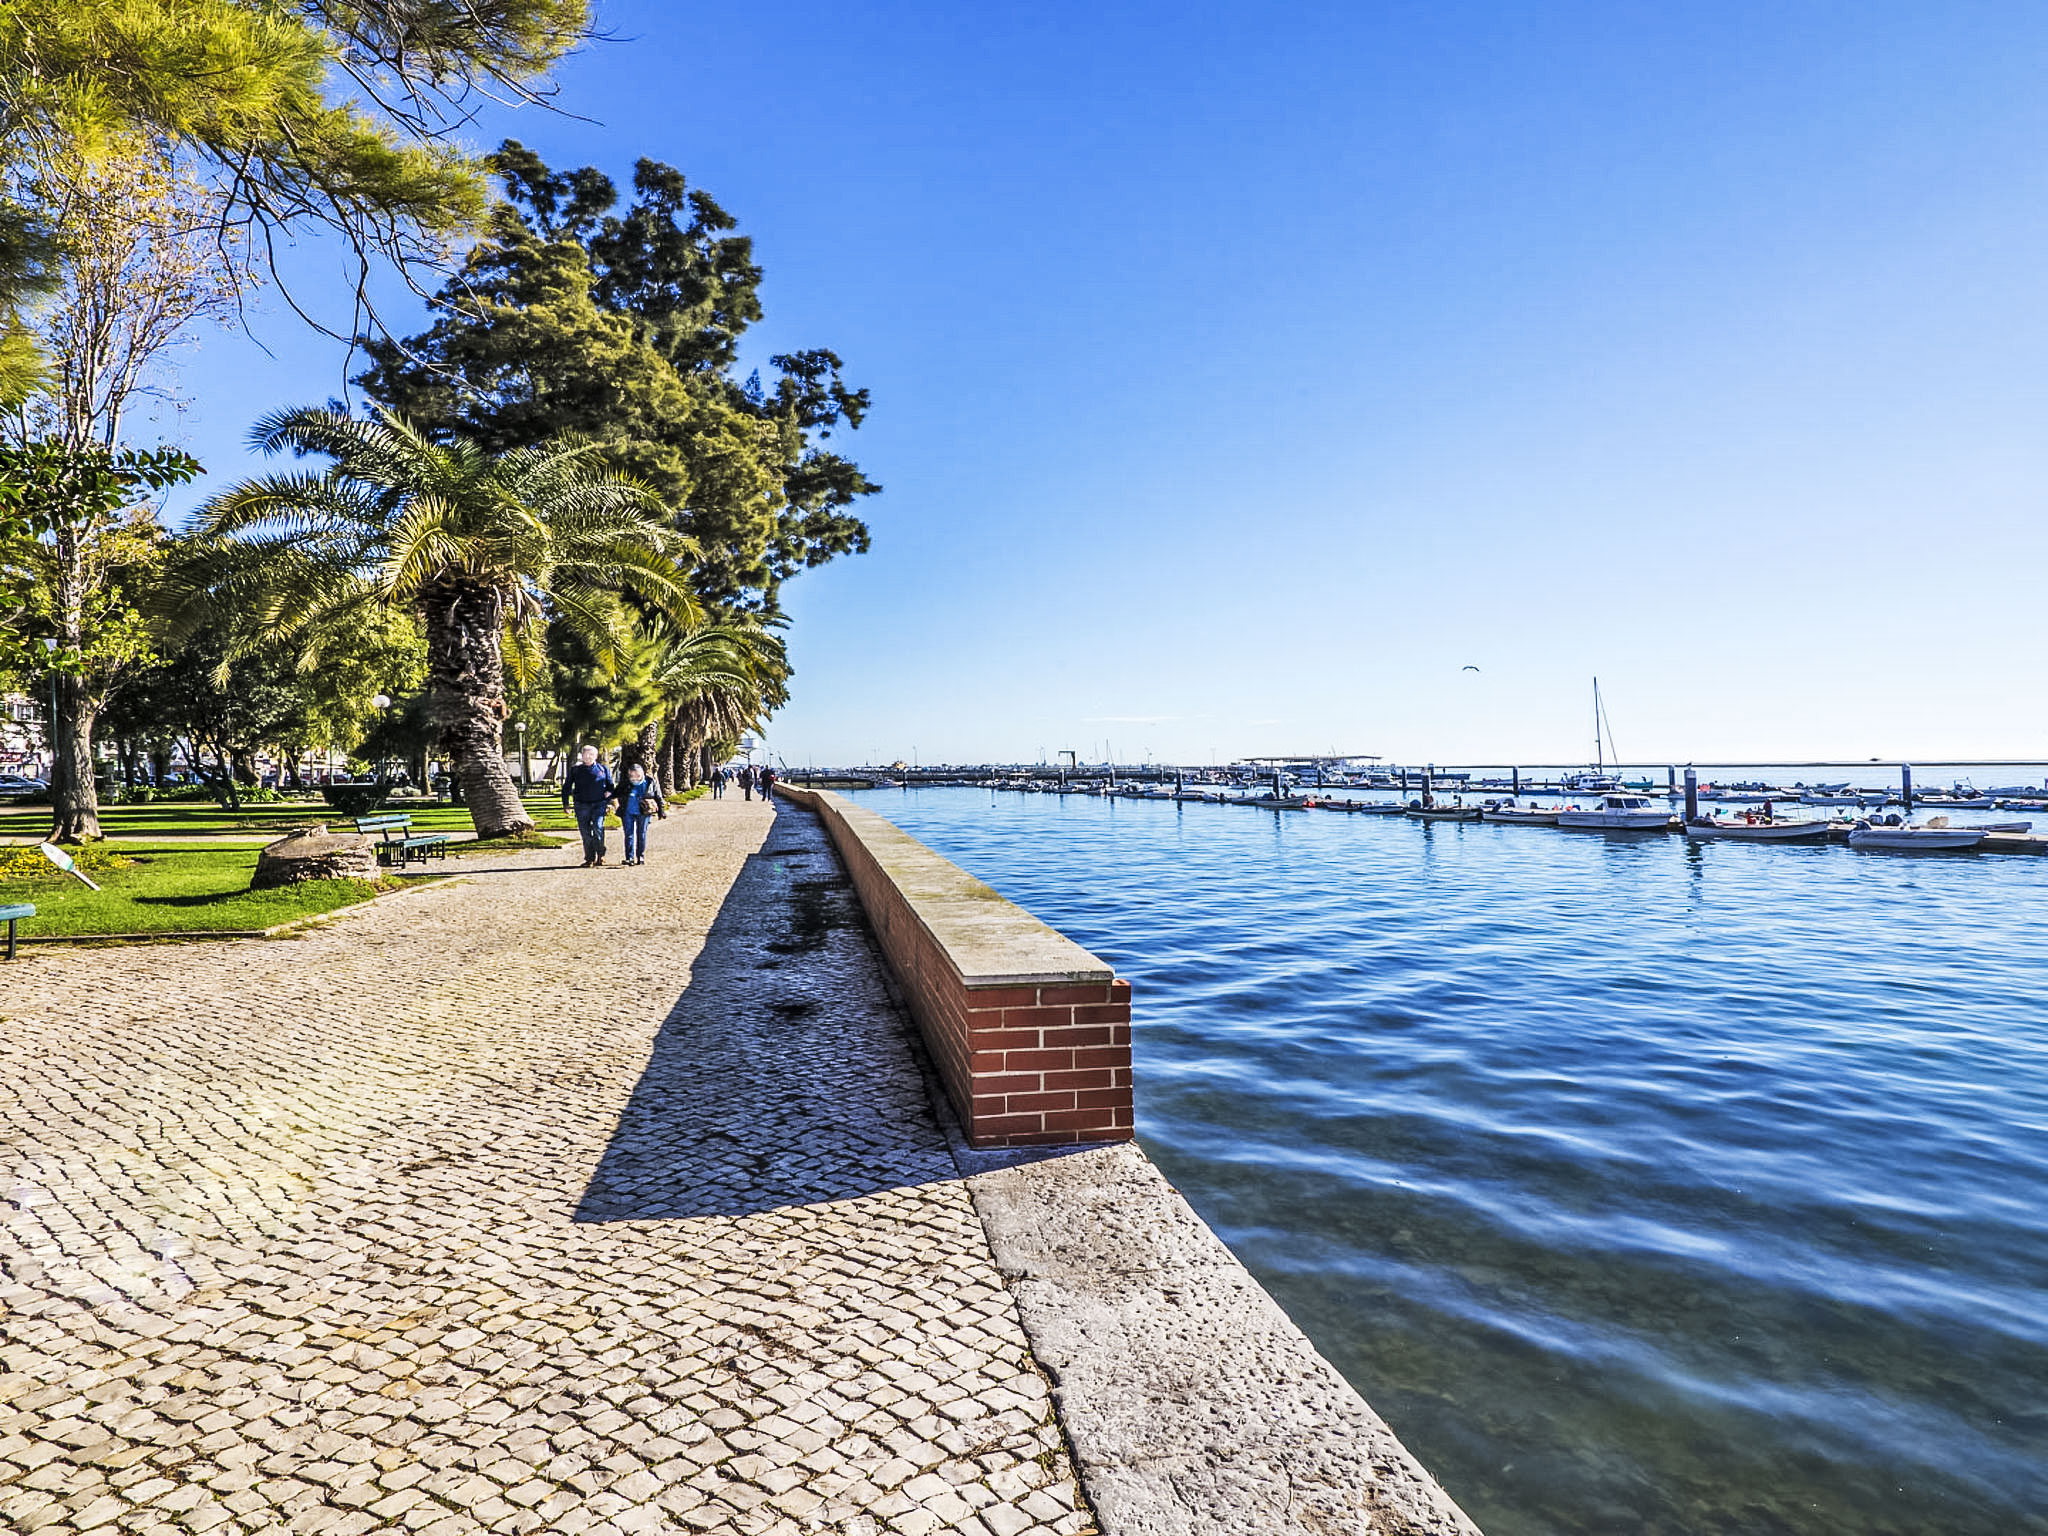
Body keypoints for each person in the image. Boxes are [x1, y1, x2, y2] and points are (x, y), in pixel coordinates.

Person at [563, 744, 615, 866]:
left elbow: (610, 786)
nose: (588, 757)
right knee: (585, 833)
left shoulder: (603, 769)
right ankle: (589, 858)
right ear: (582, 756)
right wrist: (566, 804)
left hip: (599, 804)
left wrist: (609, 800)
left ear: (596, 756)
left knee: (598, 828)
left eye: (591, 754)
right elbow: (566, 787)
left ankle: (600, 855)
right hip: (581, 805)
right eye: (586, 754)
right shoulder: (575, 770)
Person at [615, 762, 666, 865]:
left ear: (642, 773)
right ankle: (629, 857)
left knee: (641, 834)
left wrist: (661, 810)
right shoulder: (625, 783)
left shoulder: (650, 782)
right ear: (629, 774)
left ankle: (640, 857)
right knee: (629, 834)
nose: (635, 778)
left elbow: (658, 796)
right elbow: (616, 793)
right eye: (632, 776)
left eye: (637, 775)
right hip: (628, 811)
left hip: (644, 812)